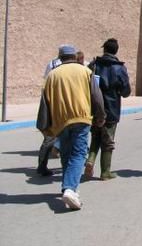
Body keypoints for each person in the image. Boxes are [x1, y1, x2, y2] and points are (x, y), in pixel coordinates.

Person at [44, 44, 105, 210]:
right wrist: (100, 116)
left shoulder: (52, 75)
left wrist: (47, 125)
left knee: (66, 153)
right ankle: (70, 189)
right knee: (78, 153)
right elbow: (96, 96)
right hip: (81, 117)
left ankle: (68, 187)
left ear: (60, 57)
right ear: (74, 56)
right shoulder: (85, 71)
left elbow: (46, 101)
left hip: (60, 120)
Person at [84, 38, 131, 180]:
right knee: (108, 141)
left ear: (104, 49)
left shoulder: (94, 65)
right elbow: (126, 92)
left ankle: (90, 160)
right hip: (111, 109)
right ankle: (105, 172)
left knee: (96, 136)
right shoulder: (119, 68)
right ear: (116, 51)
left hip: (94, 109)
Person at [37, 46, 66, 176]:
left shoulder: (52, 63)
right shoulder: (71, 66)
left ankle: (42, 165)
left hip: (51, 101)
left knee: (50, 135)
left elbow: (46, 79)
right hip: (62, 102)